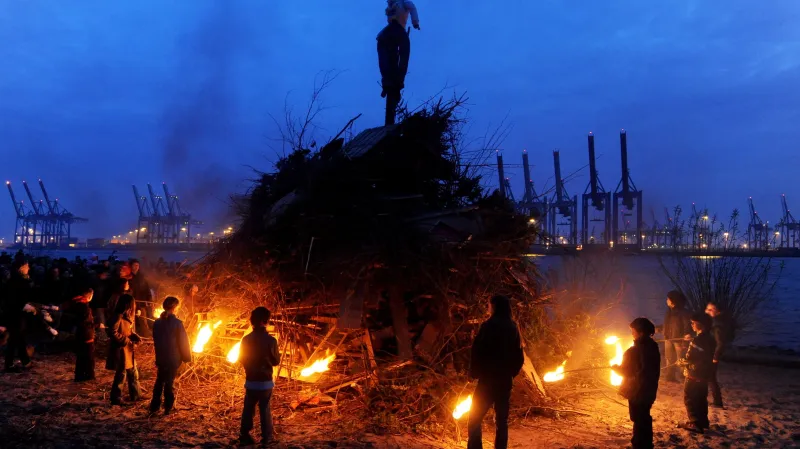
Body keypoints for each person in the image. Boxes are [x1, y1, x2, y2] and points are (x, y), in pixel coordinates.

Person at [467, 295, 525, 449]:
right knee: (501, 421)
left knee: (475, 418)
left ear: (494, 306)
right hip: (504, 382)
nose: (488, 308)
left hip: (487, 381)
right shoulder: (513, 328)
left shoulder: (488, 326)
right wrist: (510, 374)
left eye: (489, 305)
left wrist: (474, 373)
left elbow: (477, 351)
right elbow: (519, 357)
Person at [611, 318, 661, 449]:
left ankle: (640, 445)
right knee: (643, 416)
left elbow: (626, 371)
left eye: (633, 331)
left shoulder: (634, 351)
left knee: (638, 418)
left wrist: (615, 368)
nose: (632, 333)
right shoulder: (653, 347)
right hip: (649, 389)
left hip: (636, 390)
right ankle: (644, 444)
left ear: (640, 332)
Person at [238, 306, 281, 447]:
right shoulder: (271, 341)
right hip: (265, 382)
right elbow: (276, 361)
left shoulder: (246, 340)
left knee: (248, 408)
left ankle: (244, 435)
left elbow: (241, 359)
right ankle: (266, 438)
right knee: (265, 409)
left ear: (253, 321)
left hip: (251, 381)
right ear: (265, 321)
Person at [377, 0, 420, 126]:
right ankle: (394, 84)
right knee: (399, 58)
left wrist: (415, 22)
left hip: (389, 33)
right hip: (394, 32)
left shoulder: (400, 2)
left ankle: (391, 84)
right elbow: (412, 7)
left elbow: (412, 7)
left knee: (389, 61)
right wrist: (415, 22)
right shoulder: (396, 3)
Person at [150, 296, 192, 415]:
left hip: (161, 357)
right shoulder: (177, 323)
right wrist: (186, 358)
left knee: (159, 381)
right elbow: (183, 342)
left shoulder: (157, 323)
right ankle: (168, 407)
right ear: (175, 308)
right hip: (173, 358)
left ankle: (154, 406)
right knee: (169, 382)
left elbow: (156, 340)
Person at [677, 313, 716, 433]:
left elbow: (691, 358)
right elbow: (703, 355)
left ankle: (694, 423)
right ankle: (703, 422)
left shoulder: (697, 340)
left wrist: (682, 361)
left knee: (689, 397)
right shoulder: (711, 339)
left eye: (693, 323)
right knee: (700, 398)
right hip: (704, 375)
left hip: (694, 374)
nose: (692, 324)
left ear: (701, 324)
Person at [106, 294, 142, 405]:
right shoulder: (118, 316)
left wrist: (135, 336)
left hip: (128, 350)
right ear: (127, 305)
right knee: (121, 374)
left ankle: (136, 395)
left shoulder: (127, 316)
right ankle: (116, 398)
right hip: (121, 350)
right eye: (132, 304)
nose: (134, 306)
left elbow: (128, 330)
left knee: (133, 372)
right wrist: (126, 340)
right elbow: (112, 332)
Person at [4, 260, 33, 372]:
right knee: (15, 338)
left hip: (16, 313)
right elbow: (14, 299)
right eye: (26, 266)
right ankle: (10, 364)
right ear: (21, 268)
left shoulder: (17, 280)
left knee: (17, 338)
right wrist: (25, 306)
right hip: (15, 314)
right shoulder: (17, 281)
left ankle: (24, 361)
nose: (28, 268)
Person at [658, 290, 692, 382]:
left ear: (673, 301)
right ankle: (670, 377)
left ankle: (682, 377)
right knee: (669, 358)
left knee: (681, 359)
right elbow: (667, 324)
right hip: (668, 338)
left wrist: (687, 334)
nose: (667, 300)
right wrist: (662, 331)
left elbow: (687, 324)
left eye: (668, 299)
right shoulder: (669, 311)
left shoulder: (683, 312)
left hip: (679, 340)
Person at [705, 302, 734, 408]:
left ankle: (717, 402)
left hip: (712, 355)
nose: (706, 311)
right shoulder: (715, 322)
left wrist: (715, 357)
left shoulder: (718, 324)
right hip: (710, 353)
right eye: (707, 309)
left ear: (717, 311)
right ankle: (715, 400)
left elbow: (720, 343)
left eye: (710, 310)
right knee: (709, 377)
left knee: (711, 377)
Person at [71, 287, 96, 382]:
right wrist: (97, 325)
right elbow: (85, 322)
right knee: (89, 356)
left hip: (80, 334)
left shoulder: (77, 303)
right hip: (86, 335)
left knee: (81, 355)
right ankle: (89, 376)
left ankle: (79, 375)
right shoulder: (84, 307)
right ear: (89, 296)